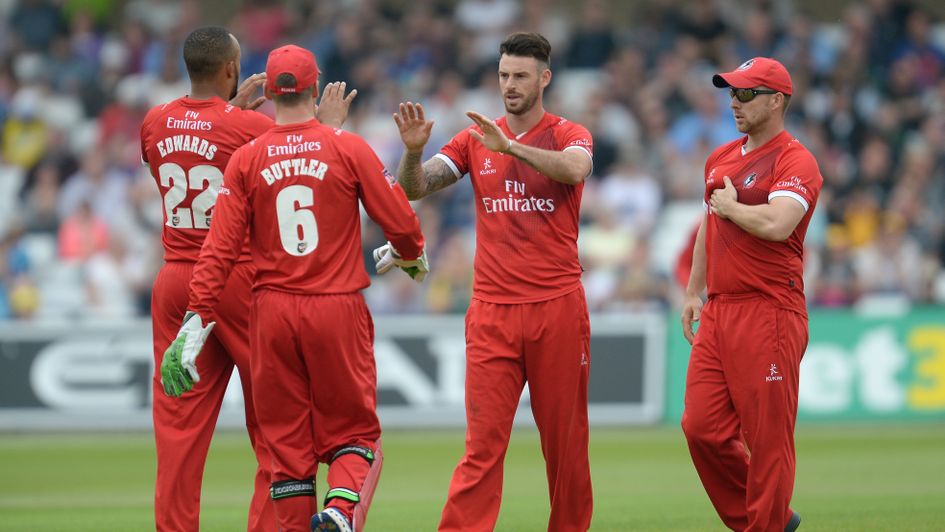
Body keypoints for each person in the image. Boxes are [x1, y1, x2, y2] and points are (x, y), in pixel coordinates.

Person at [160, 44, 427, 532]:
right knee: (356, 434)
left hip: (271, 314)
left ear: (271, 91)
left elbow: (218, 251)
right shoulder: (347, 146)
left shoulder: (244, 160)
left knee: (286, 445)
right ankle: (341, 514)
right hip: (334, 306)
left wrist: (195, 320)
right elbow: (403, 225)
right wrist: (410, 256)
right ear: (314, 86)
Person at [141, 27, 355, 531]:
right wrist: (324, 125)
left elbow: (184, 151)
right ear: (233, 69)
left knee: (177, 431)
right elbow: (295, 157)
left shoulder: (153, 120)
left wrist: (228, 111)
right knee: (277, 426)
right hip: (239, 281)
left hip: (175, 281)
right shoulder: (252, 131)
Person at [391, 32, 594, 531]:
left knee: (565, 449)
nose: (509, 85)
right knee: (481, 447)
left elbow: (576, 169)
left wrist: (514, 149)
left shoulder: (569, 133)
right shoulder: (473, 138)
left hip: (557, 308)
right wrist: (414, 153)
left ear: (544, 78)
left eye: (520, 75)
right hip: (492, 313)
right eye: (504, 75)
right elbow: (414, 188)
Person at [680, 57, 822, 532]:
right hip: (720, 311)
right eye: (731, 93)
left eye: (745, 94)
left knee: (767, 442)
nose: (734, 103)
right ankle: (768, 522)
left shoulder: (794, 159)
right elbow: (708, 224)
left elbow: (780, 224)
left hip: (770, 310)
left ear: (777, 100)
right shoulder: (720, 157)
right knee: (700, 429)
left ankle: (766, 524)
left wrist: (732, 207)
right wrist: (694, 289)